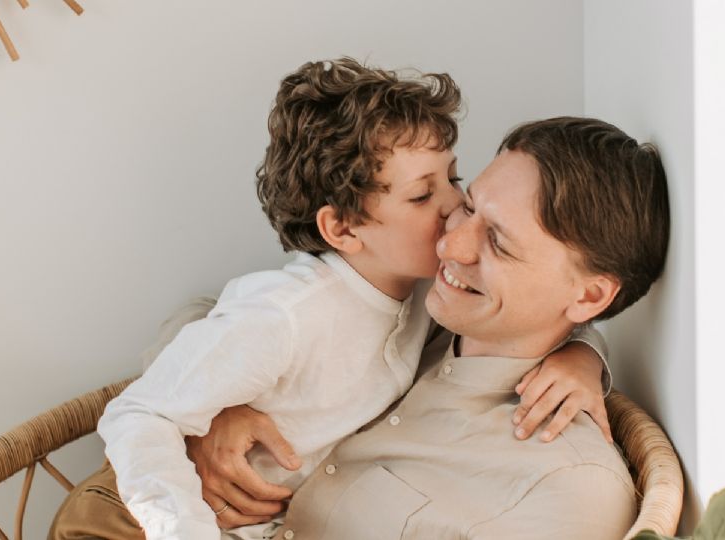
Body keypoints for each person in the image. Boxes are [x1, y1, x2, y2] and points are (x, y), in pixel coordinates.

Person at [48, 60, 610, 540]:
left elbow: (528, 315)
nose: (452, 207)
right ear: (342, 230)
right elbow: (140, 411)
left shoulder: (425, 294)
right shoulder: (287, 315)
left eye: (453, 179)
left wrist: (583, 354)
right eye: (422, 194)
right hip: (132, 520)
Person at [196, 116, 671, 539]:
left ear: (588, 296)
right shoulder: (405, 299)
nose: (449, 245)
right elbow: (208, 312)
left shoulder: (566, 488)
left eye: (499, 243)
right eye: (468, 206)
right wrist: (212, 410)